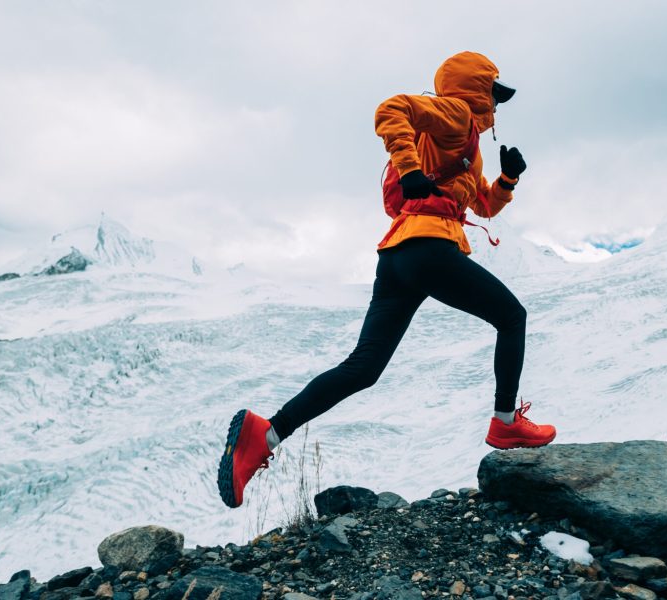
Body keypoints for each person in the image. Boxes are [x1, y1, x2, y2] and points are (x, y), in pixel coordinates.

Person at [217, 51, 556, 509]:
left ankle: (266, 434)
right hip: (428, 248)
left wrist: (508, 181)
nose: (497, 106)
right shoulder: (455, 112)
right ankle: (505, 422)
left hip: (399, 255)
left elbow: (482, 207)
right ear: (477, 90)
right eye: (494, 94)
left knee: (364, 367)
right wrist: (411, 168)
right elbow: (390, 109)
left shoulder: (465, 140)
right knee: (512, 317)